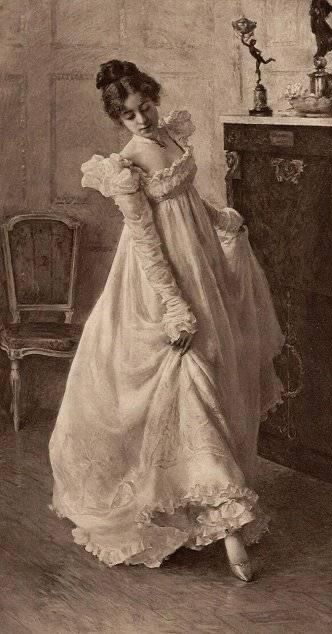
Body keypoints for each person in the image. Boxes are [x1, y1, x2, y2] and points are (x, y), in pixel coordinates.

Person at [49, 59, 285, 582]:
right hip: (160, 281)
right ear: (118, 120)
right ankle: (229, 531)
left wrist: (218, 219)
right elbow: (147, 242)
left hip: (200, 261)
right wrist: (174, 309)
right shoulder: (129, 161)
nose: (142, 119)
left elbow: (188, 201)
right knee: (188, 378)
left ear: (155, 97)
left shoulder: (172, 136)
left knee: (217, 376)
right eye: (130, 115)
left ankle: (194, 510)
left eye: (146, 106)